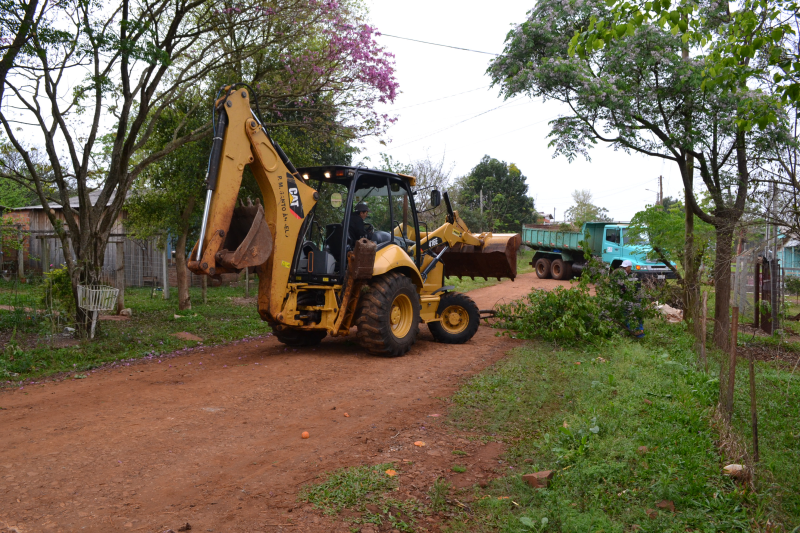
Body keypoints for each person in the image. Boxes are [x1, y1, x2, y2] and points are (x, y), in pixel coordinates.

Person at [613, 259, 645, 338]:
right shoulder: (620, 274)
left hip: (635, 297)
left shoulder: (635, 275)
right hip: (626, 297)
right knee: (626, 314)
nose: (624, 269)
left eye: (626, 268)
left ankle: (640, 331)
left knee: (637, 314)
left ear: (630, 267)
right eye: (623, 268)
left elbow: (637, 287)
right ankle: (630, 331)